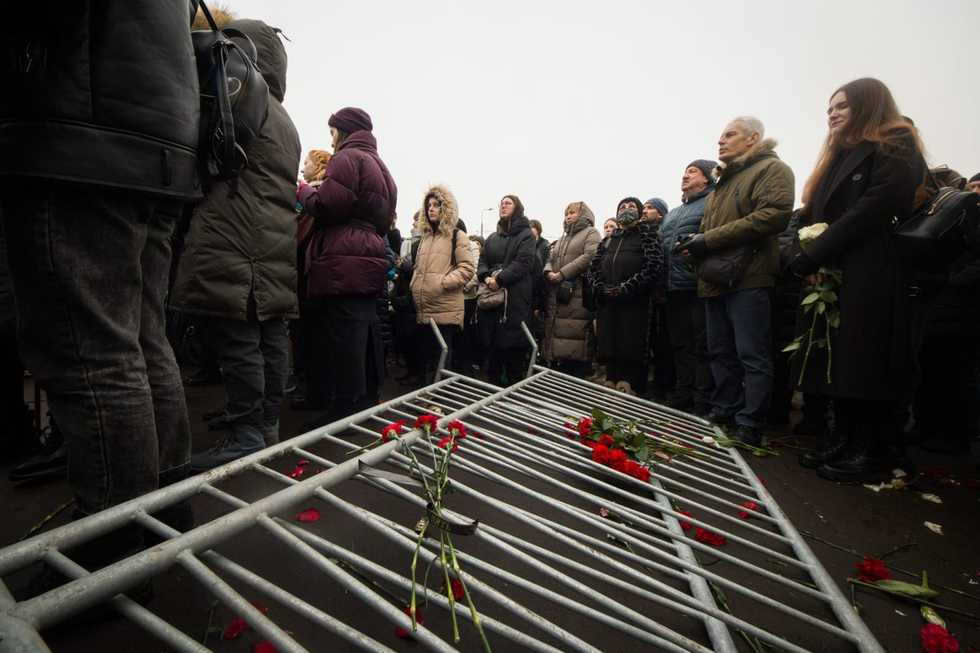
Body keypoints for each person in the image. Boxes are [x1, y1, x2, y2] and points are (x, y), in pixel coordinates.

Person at [0, 0, 200, 572]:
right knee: (139, 339)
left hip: (83, 136)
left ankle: (108, 552)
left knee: (94, 354)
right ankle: (165, 508)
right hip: (157, 145)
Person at [171, 19, 301, 470]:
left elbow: (206, 147)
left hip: (235, 227)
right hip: (270, 238)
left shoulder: (244, 90)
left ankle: (247, 431)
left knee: (239, 333)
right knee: (268, 332)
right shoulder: (285, 117)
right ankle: (264, 424)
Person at [787, 78, 927, 481]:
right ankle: (844, 439)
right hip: (836, 267)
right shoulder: (836, 158)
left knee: (865, 360)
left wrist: (817, 250)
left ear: (868, 106)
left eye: (842, 106)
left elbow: (873, 207)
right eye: (829, 108)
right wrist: (808, 253)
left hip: (873, 267)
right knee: (839, 359)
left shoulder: (895, 143)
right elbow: (814, 214)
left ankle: (872, 450)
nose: (832, 113)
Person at [675, 117, 794, 445]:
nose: (721, 141)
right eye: (720, 136)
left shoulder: (772, 170)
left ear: (753, 138)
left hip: (749, 278)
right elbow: (711, 232)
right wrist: (692, 245)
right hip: (714, 279)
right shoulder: (722, 183)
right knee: (719, 351)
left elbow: (773, 215)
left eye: (730, 135)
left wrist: (707, 240)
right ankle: (724, 409)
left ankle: (751, 421)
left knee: (751, 353)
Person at [297, 107, 397, 422]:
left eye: (332, 132)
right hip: (369, 250)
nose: (332, 140)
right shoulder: (382, 167)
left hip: (343, 253)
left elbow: (327, 205)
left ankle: (342, 410)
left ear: (344, 130)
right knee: (363, 334)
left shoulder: (346, 158)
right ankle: (361, 401)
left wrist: (303, 192)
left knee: (341, 337)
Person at [659, 160, 717, 414]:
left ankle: (703, 397)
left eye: (692, 171)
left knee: (702, 345)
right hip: (673, 287)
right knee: (680, 344)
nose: (685, 176)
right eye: (684, 172)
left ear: (707, 178)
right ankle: (684, 391)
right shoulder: (673, 213)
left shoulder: (712, 202)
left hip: (698, 285)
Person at [589, 199, 664, 395]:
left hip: (634, 301)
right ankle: (611, 379)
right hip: (608, 300)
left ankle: (631, 384)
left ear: (639, 213)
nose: (626, 210)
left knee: (630, 342)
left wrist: (627, 287)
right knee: (609, 341)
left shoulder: (647, 235)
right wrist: (601, 287)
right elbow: (594, 266)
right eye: (622, 207)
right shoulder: (608, 239)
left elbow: (653, 265)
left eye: (631, 207)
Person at [410, 186, 475, 380]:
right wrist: (415, 283)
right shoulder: (425, 238)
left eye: (436, 205)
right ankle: (427, 401)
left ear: (446, 208)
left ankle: (440, 402)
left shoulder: (457, 235)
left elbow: (467, 268)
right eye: (428, 205)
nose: (431, 209)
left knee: (442, 359)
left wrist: (442, 283)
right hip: (423, 308)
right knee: (426, 359)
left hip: (444, 308)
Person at [477, 195, 536, 384]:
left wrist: (500, 279)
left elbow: (524, 262)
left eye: (508, 203)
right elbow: (482, 260)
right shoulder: (493, 237)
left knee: (513, 349)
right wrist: (485, 276)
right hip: (492, 299)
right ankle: (491, 388)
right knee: (492, 348)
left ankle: (513, 391)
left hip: (515, 299)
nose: (503, 205)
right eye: (501, 203)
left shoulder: (526, 235)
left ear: (517, 207)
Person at [289, 149, 331, 410]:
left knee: (308, 335)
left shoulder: (314, 195)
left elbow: (300, 236)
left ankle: (310, 389)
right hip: (304, 276)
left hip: (309, 276)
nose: (303, 165)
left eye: (307, 162)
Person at [542, 202, 601, 376]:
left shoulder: (591, 233)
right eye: (566, 213)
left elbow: (590, 256)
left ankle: (576, 372)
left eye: (573, 212)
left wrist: (562, 274)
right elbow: (550, 257)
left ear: (584, 215)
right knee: (559, 332)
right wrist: (548, 271)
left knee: (575, 332)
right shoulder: (562, 238)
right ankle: (559, 371)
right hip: (558, 292)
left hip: (577, 293)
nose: (568, 216)